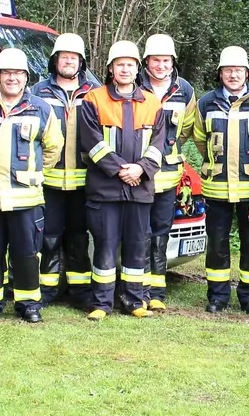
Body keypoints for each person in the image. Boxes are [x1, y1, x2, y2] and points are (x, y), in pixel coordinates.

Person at [0, 48, 63, 323]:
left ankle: (28, 304)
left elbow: (53, 147)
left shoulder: (41, 109)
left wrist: (32, 173)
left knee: (27, 254)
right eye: (7, 73)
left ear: (26, 77)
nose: (12, 78)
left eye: (18, 73)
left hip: (26, 198)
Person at [78, 40, 169, 320]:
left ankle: (134, 300)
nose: (125, 69)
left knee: (137, 245)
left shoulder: (152, 102)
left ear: (137, 68)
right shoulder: (93, 99)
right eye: (120, 65)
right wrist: (121, 170)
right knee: (105, 245)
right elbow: (92, 142)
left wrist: (140, 169)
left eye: (130, 64)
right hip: (105, 189)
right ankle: (101, 303)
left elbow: (158, 144)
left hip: (140, 188)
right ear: (111, 69)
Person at [191, 46, 249, 314]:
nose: (233, 75)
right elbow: (200, 138)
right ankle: (217, 297)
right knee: (217, 243)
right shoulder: (206, 103)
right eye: (228, 70)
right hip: (216, 188)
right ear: (220, 74)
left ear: (247, 73)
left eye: (238, 70)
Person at [32, 34, 99, 309]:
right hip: (49, 181)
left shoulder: (95, 92)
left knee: (79, 237)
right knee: (48, 237)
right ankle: (47, 290)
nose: (68, 61)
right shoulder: (37, 91)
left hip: (84, 181)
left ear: (81, 62)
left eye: (74, 57)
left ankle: (80, 291)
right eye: (64, 57)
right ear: (55, 60)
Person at [140, 33, 197, 311]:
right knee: (140, 232)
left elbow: (186, 129)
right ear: (146, 62)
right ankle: (138, 288)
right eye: (155, 60)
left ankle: (157, 291)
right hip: (139, 175)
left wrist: (168, 149)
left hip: (168, 175)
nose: (161, 65)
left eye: (165, 61)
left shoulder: (185, 90)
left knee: (161, 232)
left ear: (173, 62)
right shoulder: (134, 85)